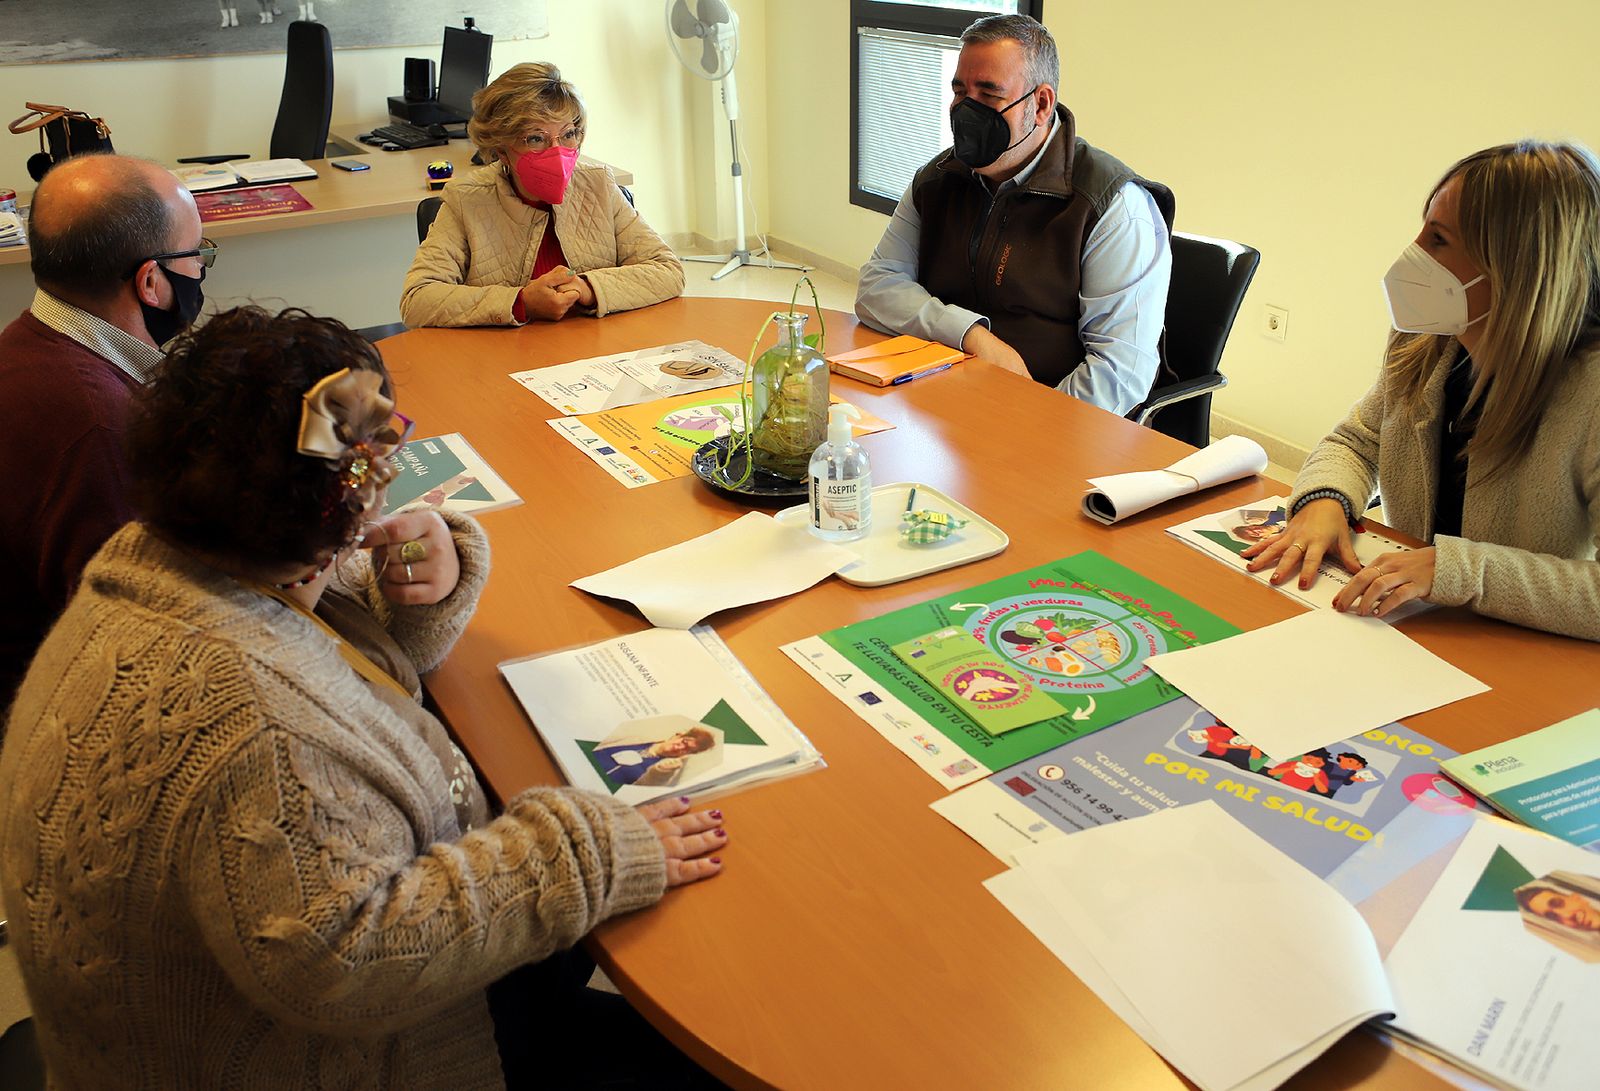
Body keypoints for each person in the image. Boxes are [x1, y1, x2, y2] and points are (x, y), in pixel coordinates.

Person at [0, 307, 727, 1090]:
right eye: (380, 450)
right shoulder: (254, 725)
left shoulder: (170, 557)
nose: (390, 462)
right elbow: (349, 957)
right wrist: (588, 849)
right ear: (340, 507)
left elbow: (323, 669)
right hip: (323, 1049)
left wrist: (416, 598)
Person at [1244, 141, 1600, 641]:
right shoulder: (1429, 341)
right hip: (1414, 623)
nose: (1411, 254)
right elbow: (1356, 441)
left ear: (1515, 266)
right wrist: (1324, 501)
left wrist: (1457, 571)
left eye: (1437, 238)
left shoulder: (1589, 390)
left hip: (1523, 643)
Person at [854, 14, 1173, 416]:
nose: (966, 110)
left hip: (1053, 423)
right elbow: (876, 287)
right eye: (959, 91)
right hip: (947, 402)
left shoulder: (1111, 206)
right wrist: (973, 336)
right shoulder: (938, 179)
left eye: (988, 95)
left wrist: (1029, 424)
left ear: (1040, 104)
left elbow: (1119, 375)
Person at [0, 153, 213, 712]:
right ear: (150, 281)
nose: (200, 271)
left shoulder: (25, 345)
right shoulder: (100, 428)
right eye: (197, 255)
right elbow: (141, 649)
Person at [400, 62, 684, 329]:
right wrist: (520, 302)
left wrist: (587, 287)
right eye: (536, 138)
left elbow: (668, 271)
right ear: (502, 151)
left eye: (568, 134)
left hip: (596, 356)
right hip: (504, 360)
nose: (557, 152)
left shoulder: (598, 185)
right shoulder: (467, 200)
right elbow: (417, 300)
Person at [595, 726, 717, 787]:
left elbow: (645, 786)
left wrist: (661, 772)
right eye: (684, 742)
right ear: (678, 735)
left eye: (687, 750)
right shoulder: (635, 738)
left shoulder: (663, 771)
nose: (680, 748)